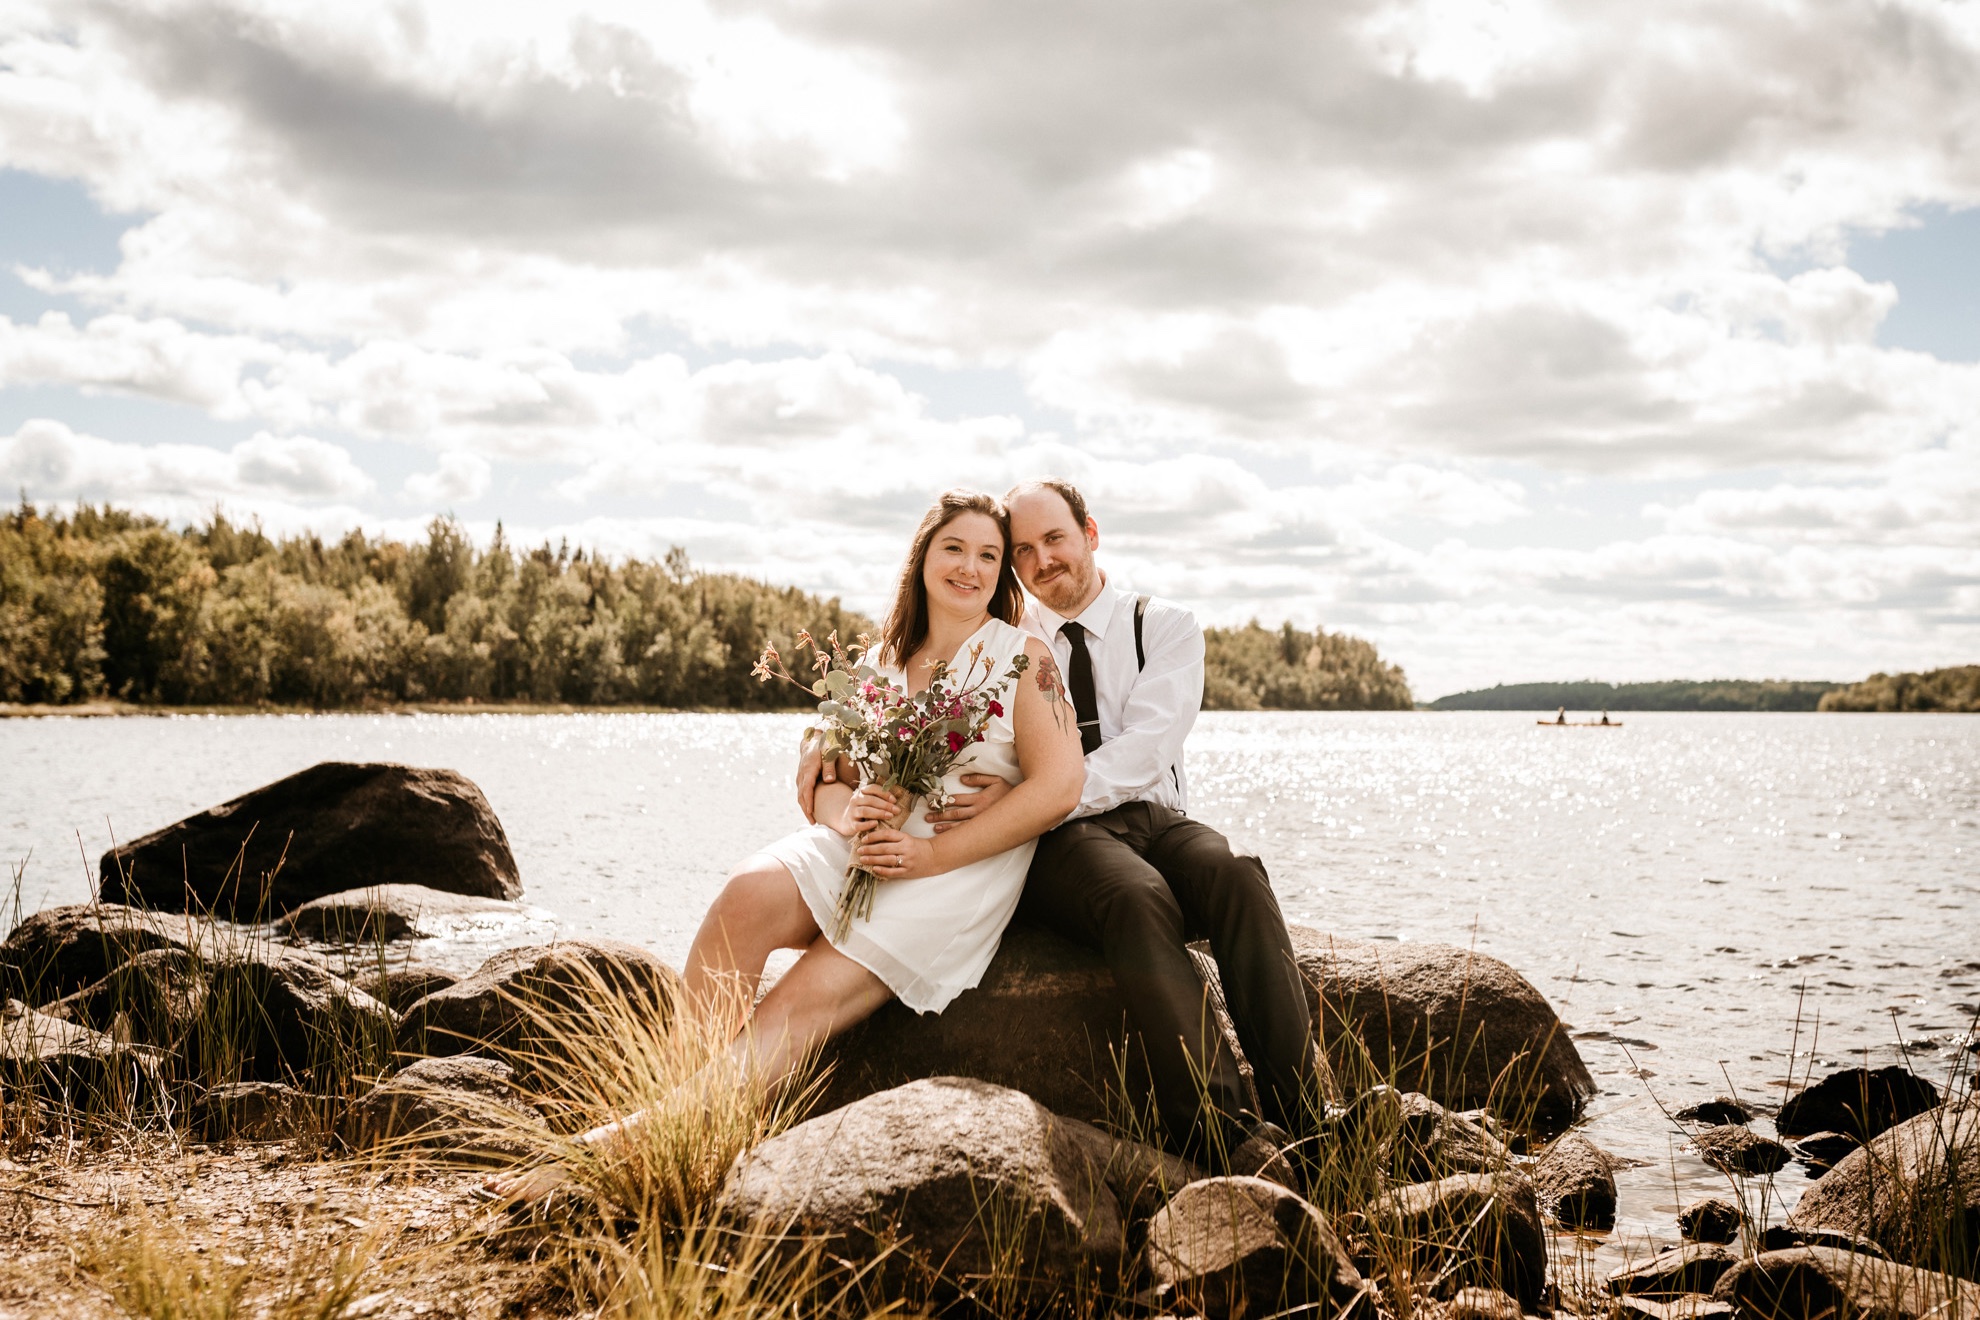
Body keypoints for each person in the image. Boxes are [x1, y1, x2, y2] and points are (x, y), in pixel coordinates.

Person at [491, 490, 1084, 1203]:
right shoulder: (879, 661)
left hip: (952, 868)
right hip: (863, 849)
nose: (972, 567)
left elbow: (1059, 787)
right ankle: (672, 1103)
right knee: (746, 893)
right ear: (923, 556)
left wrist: (925, 855)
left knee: (795, 1005)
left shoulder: (1024, 657)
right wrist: (852, 815)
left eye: (990, 555)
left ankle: (615, 1154)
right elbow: (822, 781)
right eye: (955, 548)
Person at [800, 479, 1321, 1177]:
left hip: (1153, 815)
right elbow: (898, 691)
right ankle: (1218, 1132)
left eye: (1055, 540)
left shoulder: (1162, 624)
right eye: (1023, 550)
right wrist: (828, 747)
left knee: (1236, 873)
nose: (1042, 559)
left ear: (1090, 534)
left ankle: (1307, 1116)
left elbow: (1147, 747)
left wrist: (1042, 788)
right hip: (1059, 842)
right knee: (1134, 900)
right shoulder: (1006, 639)